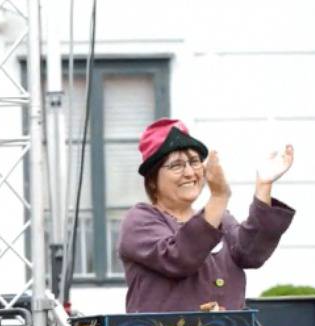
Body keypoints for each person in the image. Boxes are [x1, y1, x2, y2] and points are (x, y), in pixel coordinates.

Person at [118, 118, 295, 313]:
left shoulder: (221, 218)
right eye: (176, 165)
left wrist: (263, 187)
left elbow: (251, 254)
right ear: (152, 180)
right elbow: (179, 258)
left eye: (194, 162)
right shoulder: (139, 220)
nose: (189, 172)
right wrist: (219, 196)